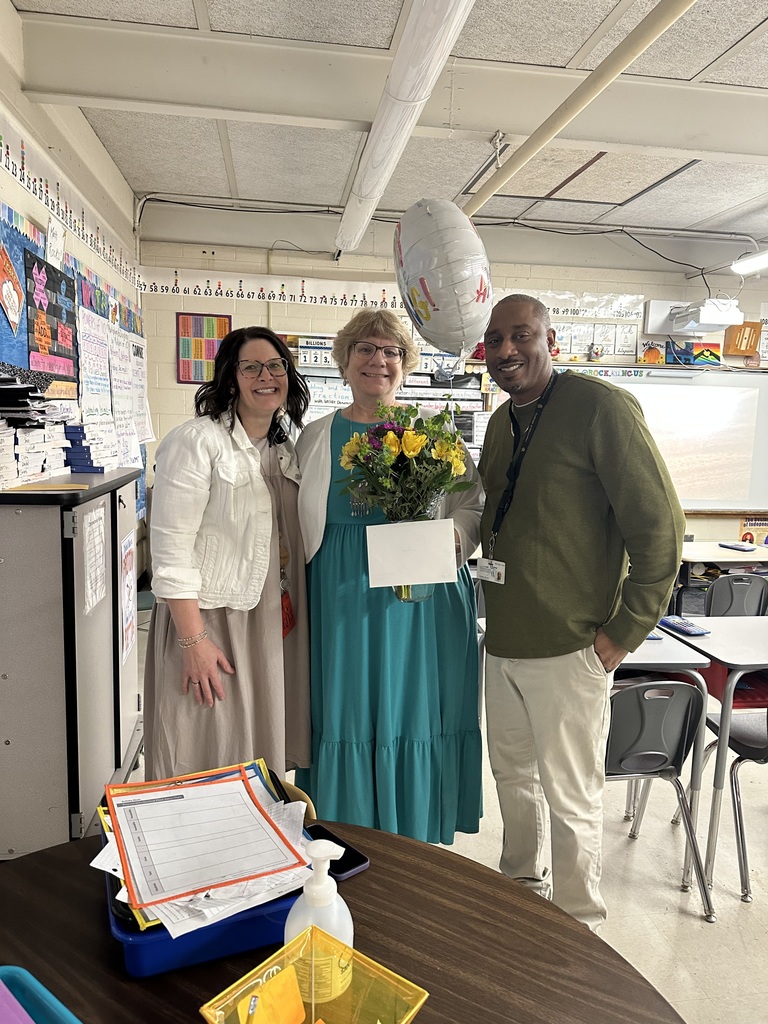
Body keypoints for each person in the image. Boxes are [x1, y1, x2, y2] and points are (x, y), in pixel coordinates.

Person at [477, 294, 685, 933]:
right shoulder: (502, 422)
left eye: (521, 336)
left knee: (569, 796)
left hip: (572, 648)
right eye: (495, 340)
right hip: (503, 639)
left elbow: (660, 529)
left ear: (550, 339)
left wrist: (623, 633)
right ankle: (519, 890)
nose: (507, 351)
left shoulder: (601, 408)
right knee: (512, 781)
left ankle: (577, 926)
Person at [295, 308, 484, 844]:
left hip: (418, 596)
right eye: (366, 349)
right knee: (347, 706)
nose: (378, 360)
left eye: (392, 351)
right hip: (340, 593)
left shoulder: (434, 434)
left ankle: (413, 834)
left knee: (412, 706)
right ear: (345, 360)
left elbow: (472, 505)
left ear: (405, 363)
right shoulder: (315, 437)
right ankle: (345, 830)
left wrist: (451, 539)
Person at [144, 326, 311, 781]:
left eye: (276, 365)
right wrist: (193, 641)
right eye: (251, 366)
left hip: (268, 618)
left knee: (253, 752)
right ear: (229, 378)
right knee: (203, 748)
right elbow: (171, 551)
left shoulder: (284, 449)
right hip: (210, 620)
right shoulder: (197, 441)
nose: (266, 376)